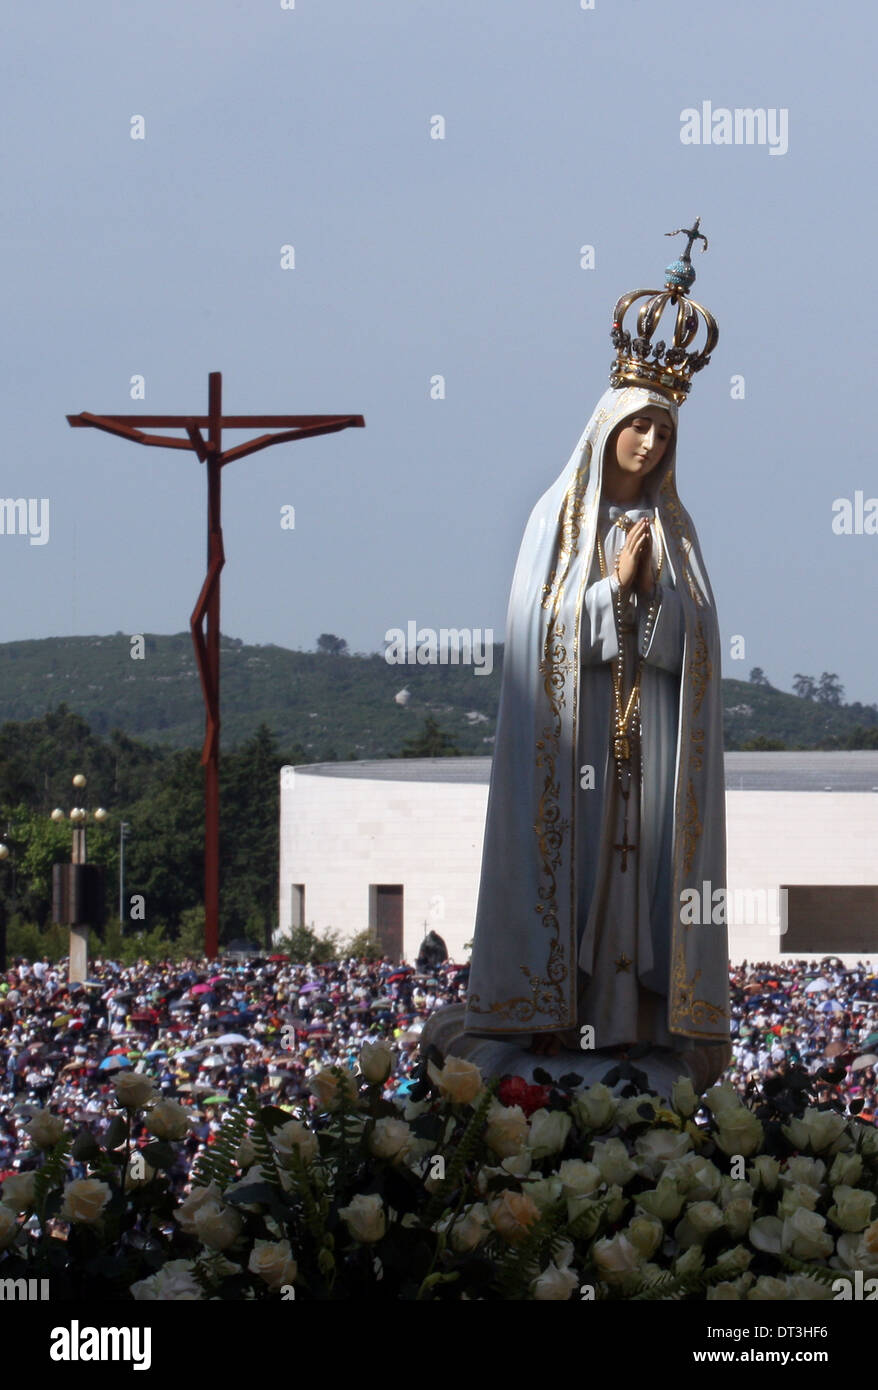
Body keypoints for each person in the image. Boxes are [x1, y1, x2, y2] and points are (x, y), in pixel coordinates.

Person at [464, 223, 730, 1068]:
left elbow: (693, 649)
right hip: (573, 743)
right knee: (577, 869)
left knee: (640, 871)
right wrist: (611, 589)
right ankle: (552, 1005)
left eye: (664, 434)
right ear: (611, 424)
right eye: (640, 427)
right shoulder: (560, 521)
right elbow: (536, 639)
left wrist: (656, 599)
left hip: (648, 747)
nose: (650, 445)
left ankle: (640, 1018)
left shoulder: (675, 531)